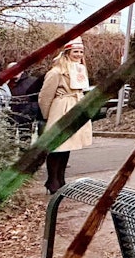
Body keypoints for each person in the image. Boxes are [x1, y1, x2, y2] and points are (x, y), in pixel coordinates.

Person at [37, 40, 93, 194]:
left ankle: (61, 179)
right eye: (75, 52)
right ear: (67, 53)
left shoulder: (80, 70)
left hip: (75, 108)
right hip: (60, 109)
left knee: (68, 146)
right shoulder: (56, 72)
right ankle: (52, 181)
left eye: (81, 52)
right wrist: (47, 116)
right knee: (56, 147)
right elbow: (45, 96)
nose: (79, 55)